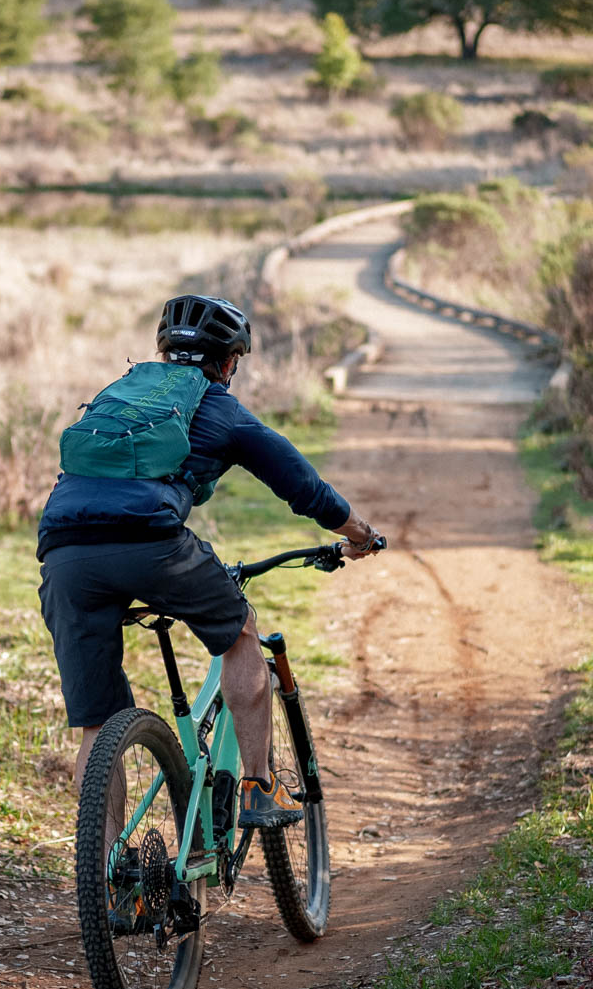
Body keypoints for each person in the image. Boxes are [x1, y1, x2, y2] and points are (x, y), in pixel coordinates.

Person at [37, 293, 382, 829]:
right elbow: (301, 484)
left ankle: (103, 883)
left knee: (97, 730)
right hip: (151, 543)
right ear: (228, 362)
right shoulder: (218, 406)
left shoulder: (119, 395)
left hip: (64, 554)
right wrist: (358, 533)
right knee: (242, 632)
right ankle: (259, 787)